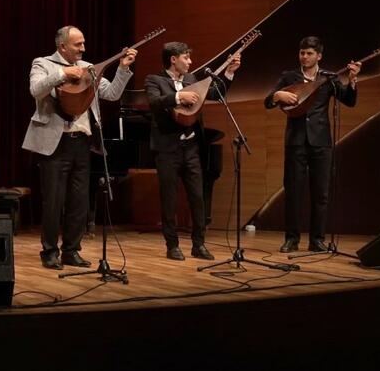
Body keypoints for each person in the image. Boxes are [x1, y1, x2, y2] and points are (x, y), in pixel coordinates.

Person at [22, 25, 137, 270]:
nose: (83, 48)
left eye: (83, 43)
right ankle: (49, 252)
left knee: (79, 201)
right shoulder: (42, 63)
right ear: (62, 46)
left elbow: (113, 94)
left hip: (82, 142)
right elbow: (36, 90)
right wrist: (63, 75)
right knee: (53, 201)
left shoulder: (89, 68)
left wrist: (123, 68)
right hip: (55, 143)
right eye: (78, 44)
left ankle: (71, 251)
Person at [145, 42, 241, 260]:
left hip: (191, 148)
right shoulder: (155, 80)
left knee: (198, 197)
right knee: (169, 199)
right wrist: (179, 97)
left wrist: (229, 72)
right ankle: (172, 246)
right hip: (167, 149)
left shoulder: (191, 79)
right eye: (186, 58)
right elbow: (154, 102)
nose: (190, 62)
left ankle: (199, 244)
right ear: (173, 59)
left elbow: (216, 94)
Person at [264, 36, 360, 253]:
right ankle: (292, 239)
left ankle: (317, 239)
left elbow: (349, 101)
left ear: (319, 56)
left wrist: (352, 80)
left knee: (321, 193)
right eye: (302, 53)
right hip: (296, 142)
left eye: (309, 53)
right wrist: (278, 95)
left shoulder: (329, 78)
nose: (305, 57)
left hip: (321, 142)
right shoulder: (289, 76)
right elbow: (268, 102)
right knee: (293, 191)